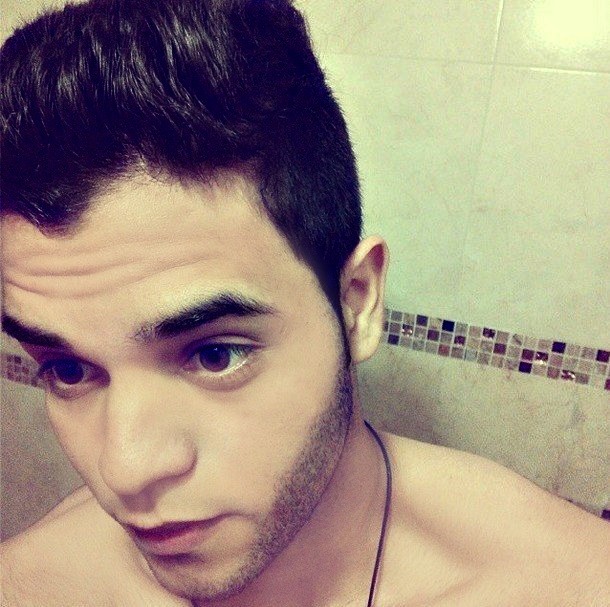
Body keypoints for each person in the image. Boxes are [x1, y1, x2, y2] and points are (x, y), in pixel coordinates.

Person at [1, 0, 608, 605]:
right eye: (68, 370)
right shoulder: (32, 585)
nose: (126, 470)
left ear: (356, 303)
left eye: (215, 355)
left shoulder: (567, 586)